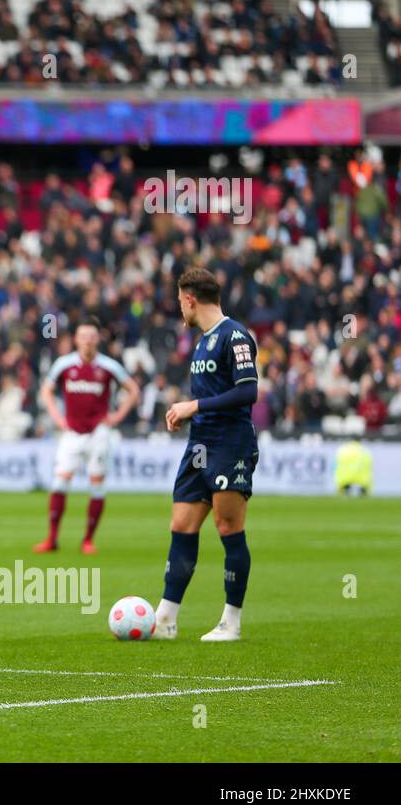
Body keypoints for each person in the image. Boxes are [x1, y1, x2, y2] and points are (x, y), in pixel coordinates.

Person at [156, 266, 258, 642]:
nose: (178, 308)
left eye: (179, 301)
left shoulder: (235, 336)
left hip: (230, 444)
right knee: (182, 524)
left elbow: (248, 392)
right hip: (199, 444)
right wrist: (192, 415)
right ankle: (165, 619)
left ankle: (231, 622)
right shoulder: (202, 341)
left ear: (189, 299)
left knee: (228, 527)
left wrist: (193, 406)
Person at [34, 319, 139, 554]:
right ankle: (52, 539)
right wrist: (57, 418)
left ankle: (88, 540)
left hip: (99, 433)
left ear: (97, 339)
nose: (88, 341)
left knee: (97, 485)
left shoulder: (109, 366)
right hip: (71, 431)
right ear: (76, 340)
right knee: (59, 482)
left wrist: (118, 415)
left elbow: (133, 390)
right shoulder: (64, 364)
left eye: (92, 337)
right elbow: (46, 390)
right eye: (84, 337)